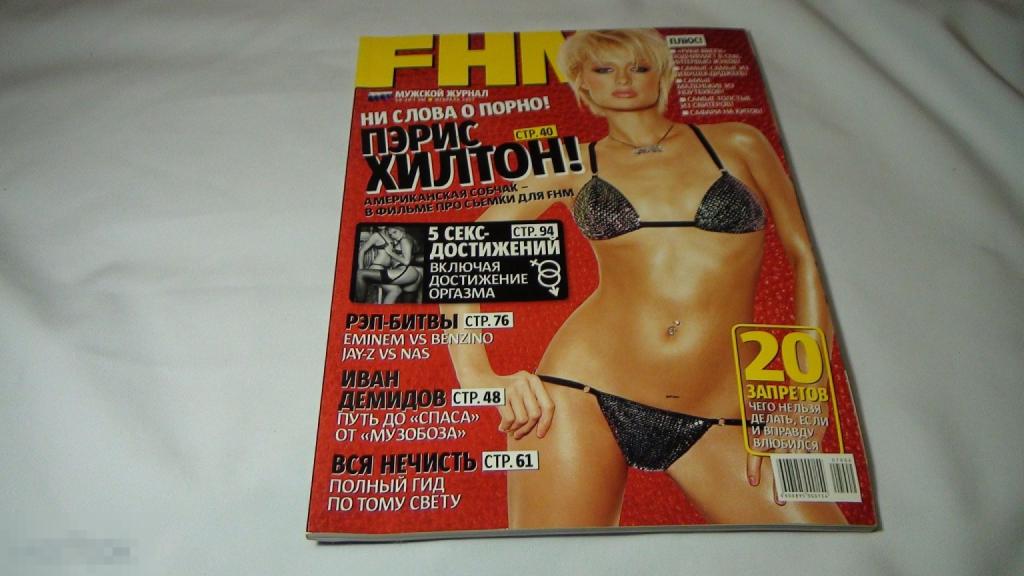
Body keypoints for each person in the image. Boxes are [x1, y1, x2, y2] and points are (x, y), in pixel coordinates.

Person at [444, 29, 845, 527]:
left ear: (664, 74)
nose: (624, 80)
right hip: (581, 390)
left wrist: (809, 395)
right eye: (604, 69)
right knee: (553, 559)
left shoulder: (738, 142)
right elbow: (461, 251)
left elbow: (807, 258)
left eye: (638, 66)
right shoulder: (569, 163)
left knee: (828, 540)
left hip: (721, 408)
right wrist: (476, 374)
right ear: (582, 83)